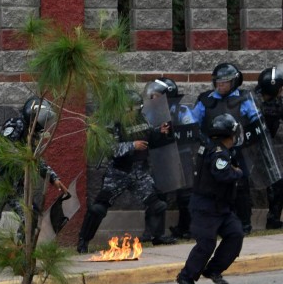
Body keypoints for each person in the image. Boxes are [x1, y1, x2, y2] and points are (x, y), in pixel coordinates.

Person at [0, 96, 68, 273]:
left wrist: (53, 178)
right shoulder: (15, 124)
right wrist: (23, 157)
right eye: (41, 119)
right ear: (32, 114)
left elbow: (36, 160)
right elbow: (5, 147)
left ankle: (21, 258)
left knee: (31, 217)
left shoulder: (34, 135)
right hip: (0, 181)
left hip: (18, 185)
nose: (43, 124)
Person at [77, 90, 177, 254]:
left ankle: (157, 236)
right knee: (98, 209)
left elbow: (149, 136)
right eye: (132, 109)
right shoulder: (113, 123)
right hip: (119, 173)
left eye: (137, 108)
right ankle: (83, 241)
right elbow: (110, 149)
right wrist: (132, 146)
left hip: (140, 172)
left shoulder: (141, 118)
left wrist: (160, 132)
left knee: (158, 205)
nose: (134, 112)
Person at [176, 113, 244, 284]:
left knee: (235, 234)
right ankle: (186, 277)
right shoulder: (218, 153)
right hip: (206, 207)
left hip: (221, 207)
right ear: (230, 135)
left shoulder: (218, 149)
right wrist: (237, 172)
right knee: (206, 244)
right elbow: (222, 174)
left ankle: (213, 270)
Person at [191, 63, 260, 235]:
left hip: (238, 149)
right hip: (212, 151)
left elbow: (256, 121)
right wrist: (202, 140)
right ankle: (213, 225)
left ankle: (244, 223)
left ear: (234, 82)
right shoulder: (206, 100)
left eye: (224, 82)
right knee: (211, 186)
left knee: (241, 186)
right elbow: (192, 122)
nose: (220, 85)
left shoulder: (244, 99)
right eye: (217, 82)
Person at [141, 78, 198, 240]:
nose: (153, 99)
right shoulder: (149, 113)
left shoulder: (182, 111)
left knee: (186, 195)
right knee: (157, 196)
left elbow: (193, 131)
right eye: (151, 96)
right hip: (161, 157)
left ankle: (187, 228)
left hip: (183, 156)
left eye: (156, 95)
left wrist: (175, 131)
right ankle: (153, 232)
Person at [255, 65, 283, 230]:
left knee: (278, 183)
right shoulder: (262, 104)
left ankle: (273, 219)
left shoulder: (268, 100)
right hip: (255, 150)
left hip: (265, 150)